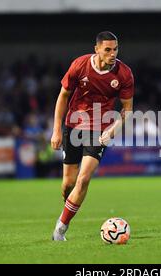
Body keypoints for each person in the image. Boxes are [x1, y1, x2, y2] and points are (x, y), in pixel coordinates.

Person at [50, 31, 134, 241]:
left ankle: (60, 229)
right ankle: (68, 208)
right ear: (96, 49)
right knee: (68, 185)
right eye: (107, 49)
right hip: (73, 126)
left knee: (84, 178)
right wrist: (57, 130)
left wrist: (112, 129)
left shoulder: (124, 74)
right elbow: (63, 96)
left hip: (99, 130)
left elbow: (127, 110)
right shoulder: (80, 65)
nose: (112, 53)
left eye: (115, 49)